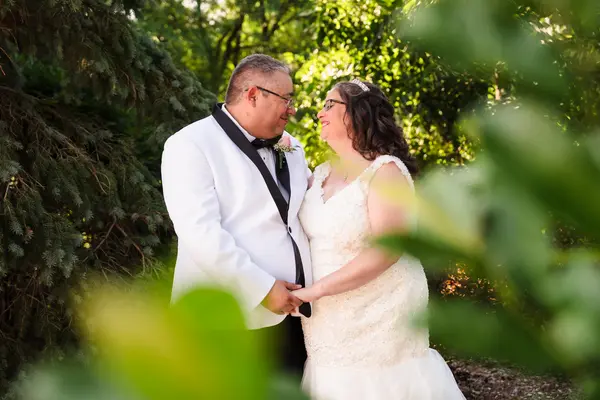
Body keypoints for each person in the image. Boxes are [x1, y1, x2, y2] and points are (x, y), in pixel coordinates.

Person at [292, 79, 465, 399]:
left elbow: (388, 250)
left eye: (329, 104)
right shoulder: (320, 173)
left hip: (379, 311)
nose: (319, 113)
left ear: (357, 113)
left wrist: (314, 291)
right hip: (328, 318)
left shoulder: (385, 171)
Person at [161, 54, 312, 375]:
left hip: (296, 318)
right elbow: (200, 233)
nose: (292, 109)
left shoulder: (292, 147)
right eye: (286, 99)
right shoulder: (189, 145)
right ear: (253, 95)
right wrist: (263, 289)